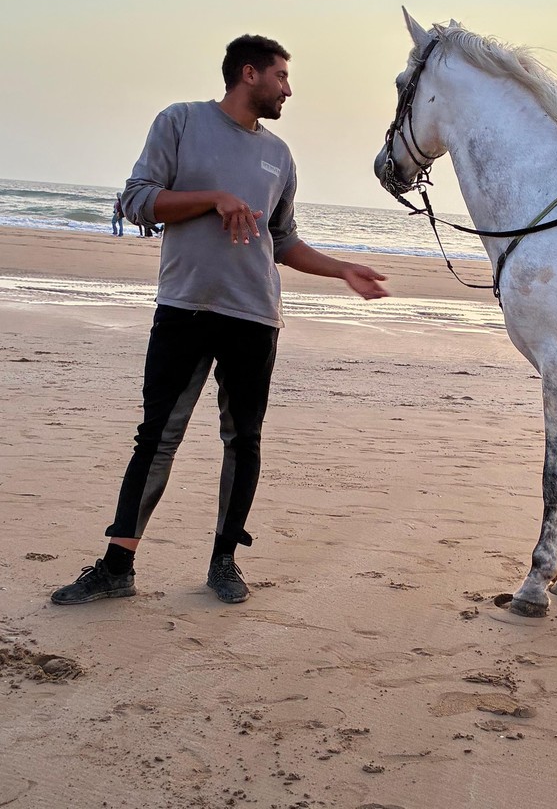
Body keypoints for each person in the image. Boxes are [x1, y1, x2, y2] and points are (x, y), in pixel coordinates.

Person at [52, 34, 388, 606]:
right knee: (157, 438)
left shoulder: (280, 155)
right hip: (185, 307)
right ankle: (116, 568)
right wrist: (214, 198)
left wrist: (343, 270)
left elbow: (281, 241)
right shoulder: (180, 121)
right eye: (281, 76)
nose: (288, 88)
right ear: (249, 73)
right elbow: (136, 200)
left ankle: (225, 561)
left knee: (244, 440)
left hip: (254, 316)